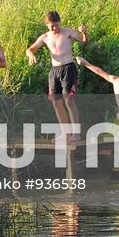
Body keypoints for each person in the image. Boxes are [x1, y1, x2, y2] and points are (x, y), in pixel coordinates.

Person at [27, 11, 88, 141]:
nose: (55, 28)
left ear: (60, 22)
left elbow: (83, 41)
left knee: (69, 100)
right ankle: (65, 134)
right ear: (47, 25)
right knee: (56, 102)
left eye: (57, 25)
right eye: (52, 26)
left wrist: (84, 33)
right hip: (54, 71)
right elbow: (30, 49)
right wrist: (31, 55)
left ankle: (76, 134)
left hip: (68, 69)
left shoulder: (68, 32)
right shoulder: (45, 37)